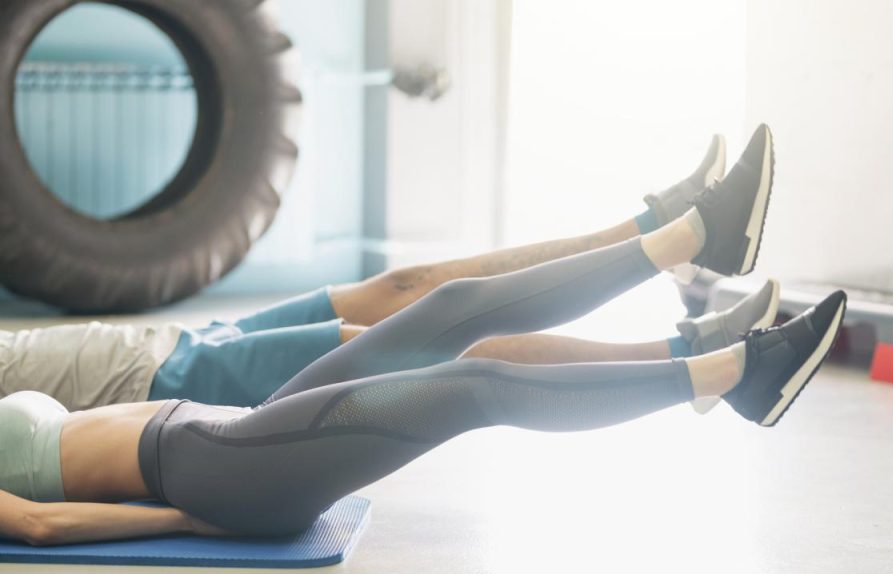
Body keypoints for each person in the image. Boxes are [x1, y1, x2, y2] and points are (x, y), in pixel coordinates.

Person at [0, 125, 848, 546]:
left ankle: (688, 239)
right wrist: (192, 520)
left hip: (215, 430)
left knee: (446, 311)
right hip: (217, 471)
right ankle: (729, 375)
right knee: (476, 387)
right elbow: (38, 526)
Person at [0, 134, 775, 412]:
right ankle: (704, 361)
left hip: (169, 343)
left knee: (406, 289)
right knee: (441, 346)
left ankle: (656, 231)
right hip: (168, 386)